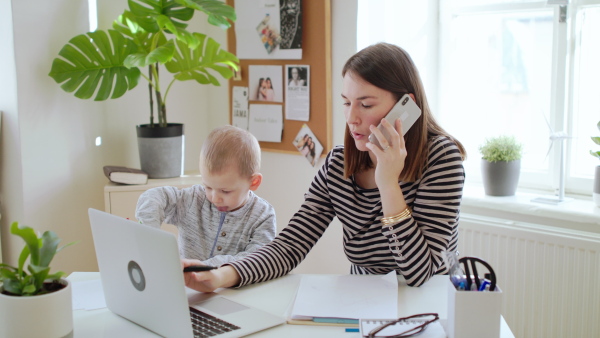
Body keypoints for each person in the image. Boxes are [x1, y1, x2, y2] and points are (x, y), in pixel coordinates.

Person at [182, 42, 466, 291]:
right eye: (346, 103)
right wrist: (221, 275)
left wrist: (388, 184)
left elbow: (419, 273)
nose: (351, 117)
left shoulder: (441, 159)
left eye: (365, 105)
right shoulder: (339, 164)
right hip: (365, 302)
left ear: (405, 107)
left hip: (430, 303)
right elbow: (290, 246)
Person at [135, 125, 277, 266]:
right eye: (208, 187)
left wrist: (208, 267)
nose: (215, 198)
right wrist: (149, 232)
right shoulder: (194, 199)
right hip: (187, 287)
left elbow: (258, 260)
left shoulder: (263, 215)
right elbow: (153, 197)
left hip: (239, 288)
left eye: (225, 191)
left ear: (254, 182)